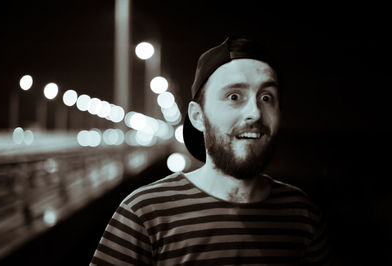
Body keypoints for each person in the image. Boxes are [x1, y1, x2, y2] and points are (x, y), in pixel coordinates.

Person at [90, 36, 332, 265]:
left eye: (266, 98)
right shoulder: (144, 214)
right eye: (234, 96)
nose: (255, 113)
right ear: (197, 117)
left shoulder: (302, 214)